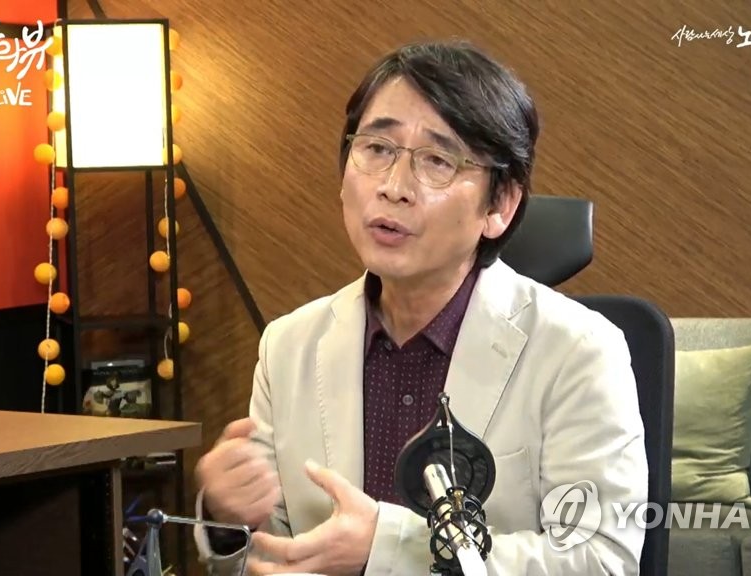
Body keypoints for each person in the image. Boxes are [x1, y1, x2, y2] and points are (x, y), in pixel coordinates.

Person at [193, 39, 648, 576]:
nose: (393, 187)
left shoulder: (579, 351)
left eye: (437, 160)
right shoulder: (288, 345)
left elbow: (601, 560)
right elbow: (272, 554)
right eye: (377, 148)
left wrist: (388, 548)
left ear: (500, 205)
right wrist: (229, 521)